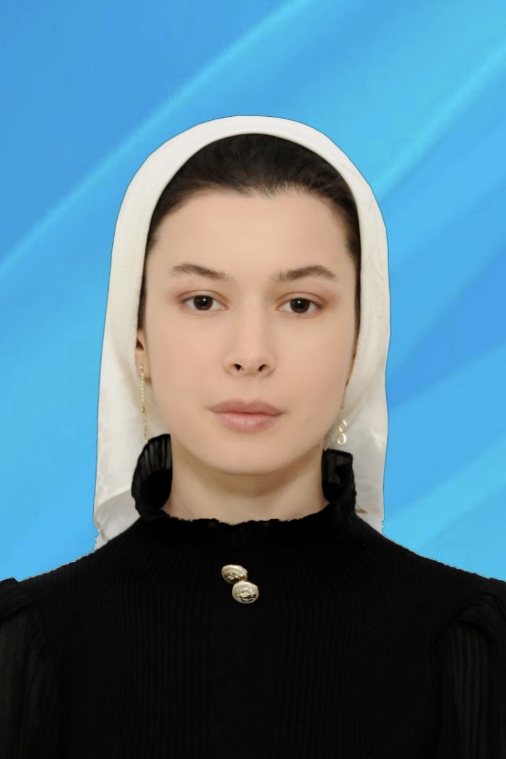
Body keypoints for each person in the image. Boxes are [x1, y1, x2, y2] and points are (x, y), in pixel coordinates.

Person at [0, 115, 504, 757]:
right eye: (203, 301)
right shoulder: (27, 646)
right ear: (138, 338)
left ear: (361, 342)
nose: (250, 354)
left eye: (300, 304)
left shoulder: (470, 640)